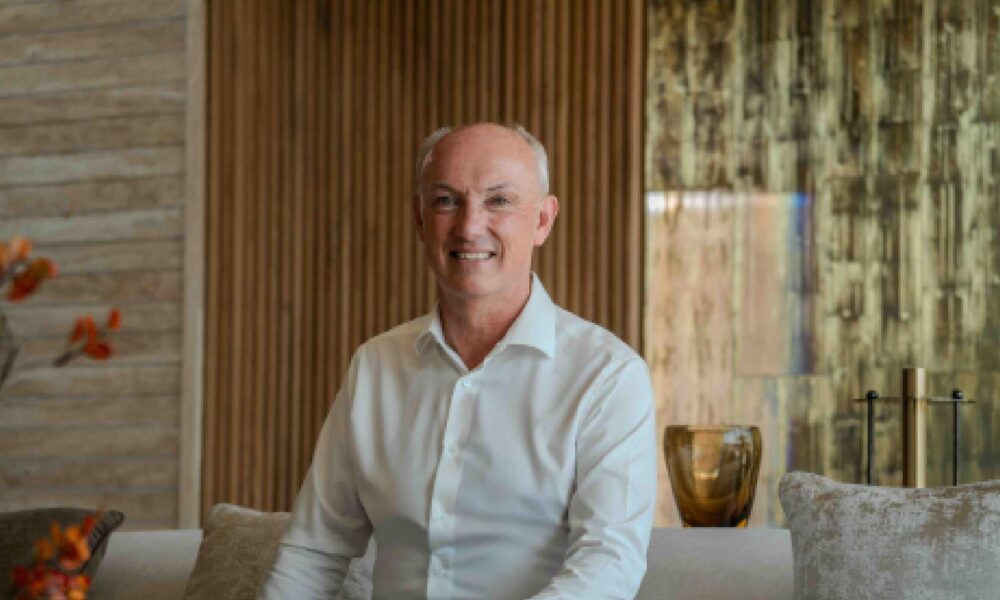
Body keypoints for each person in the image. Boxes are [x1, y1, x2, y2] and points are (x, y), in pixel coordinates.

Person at [258, 122, 656, 599]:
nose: (469, 227)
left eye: (499, 201)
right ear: (420, 219)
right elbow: (314, 554)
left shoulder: (608, 376)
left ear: (543, 221)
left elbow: (607, 566)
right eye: (447, 200)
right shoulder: (375, 367)